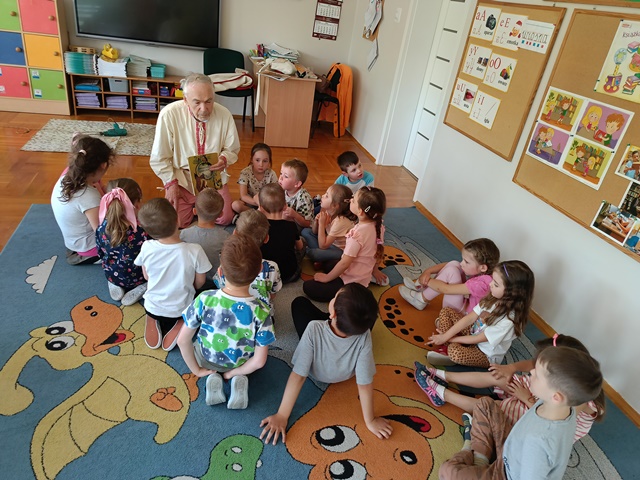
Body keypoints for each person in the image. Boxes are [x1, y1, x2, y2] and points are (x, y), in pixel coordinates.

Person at [439, 346, 603, 480]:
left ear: (556, 397)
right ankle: (480, 461)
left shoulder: (539, 443)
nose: (531, 372)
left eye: (538, 375)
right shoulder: (561, 407)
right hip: (511, 447)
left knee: (448, 471)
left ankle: (471, 449)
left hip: (506, 474)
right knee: (484, 404)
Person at [259, 283, 392, 445]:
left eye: (335, 297)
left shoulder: (313, 328)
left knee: (299, 303)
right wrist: (370, 421)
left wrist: (282, 415)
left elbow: (298, 376)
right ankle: (346, 319)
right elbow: (365, 384)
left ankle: (339, 318)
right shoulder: (364, 334)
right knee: (362, 316)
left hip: (316, 369)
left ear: (333, 312)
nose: (333, 297)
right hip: (345, 368)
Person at [415, 334, 605, 443]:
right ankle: (442, 375)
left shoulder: (575, 403)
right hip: (538, 399)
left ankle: (440, 393)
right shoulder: (568, 378)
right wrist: (511, 369)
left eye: (539, 371)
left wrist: (526, 398)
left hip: (539, 419)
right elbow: (531, 365)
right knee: (498, 377)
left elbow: (551, 425)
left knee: (489, 406)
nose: (532, 370)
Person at [178, 234, 275, 410]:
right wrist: (233, 372)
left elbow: (182, 340)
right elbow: (260, 361)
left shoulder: (204, 298)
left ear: (220, 272)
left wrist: (196, 370)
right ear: (259, 271)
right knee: (252, 360)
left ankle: (212, 376)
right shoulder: (262, 310)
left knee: (196, 346)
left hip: (207, 359)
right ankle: (238, 377)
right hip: (241, 361)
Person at [149, 73, 240, 228]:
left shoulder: (224, 114)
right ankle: (197, 210)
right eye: (197, 102)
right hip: (182, 180)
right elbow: (159, 157)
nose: (204, 109)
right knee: (178, 223)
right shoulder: (169, 114)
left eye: (209, 101)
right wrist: (171, 184)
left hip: (212, 177)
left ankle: (199, 210)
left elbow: (232, 148)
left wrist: (224, 159)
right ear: (185, 100)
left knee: (224, 218)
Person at [425, 260, 535, 368]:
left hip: (484, 353)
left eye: (496, 284)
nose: (490, 284)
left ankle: (450, 349)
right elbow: (470, 318)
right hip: (473, 332)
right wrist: (446, 336)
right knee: (446, 312)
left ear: (511, 293)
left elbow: (478, 339)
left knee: (455, 352)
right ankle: (451, 346)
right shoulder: (493, 297)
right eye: (492, 280)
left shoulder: (509, 320)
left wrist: (448, 338)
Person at [134, 198, 212, 351]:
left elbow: (147, 277)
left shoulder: (146, 246)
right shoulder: (194, 250)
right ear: (178, 220)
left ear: (148, 231)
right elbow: (200, 282)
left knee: (153, 304)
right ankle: (181, 322)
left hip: (152, 306)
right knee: (203, 296)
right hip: (180, 308)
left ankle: (152, 318)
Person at [303, 187, 388, 302]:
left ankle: (352, 293)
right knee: (329, 265)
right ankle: (367, 277)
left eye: (353, 200)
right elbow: (379, 250)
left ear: (360, 211)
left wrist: (327, 278)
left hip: (350, 281)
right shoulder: (378, 226)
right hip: (358, 273)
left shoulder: (356, 235)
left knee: (308, 287)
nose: (350, 200)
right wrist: (375, 269)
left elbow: (344, 263)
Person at [51, 134, 113, 265]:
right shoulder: (89, 196)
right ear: (103, 165)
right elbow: (102, 233)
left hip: (72, 240)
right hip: (87, 248)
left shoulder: (68, 175)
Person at [400, 238, 500, 313]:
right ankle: (423, 290)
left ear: (483, 268)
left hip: (461, 315)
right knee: (454, 264)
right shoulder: (485, 274)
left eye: (466, 262)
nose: (462, 263)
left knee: (451, 271)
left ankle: (421, 299)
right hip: (464, 304)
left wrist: (427, 280)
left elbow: (446, 289)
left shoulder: (482, 284)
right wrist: (428, 271)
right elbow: (449, 264)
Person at [214, 209, 282, 308]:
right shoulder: (272, 267)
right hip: (261, 311)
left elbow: (219, 285)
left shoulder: (226, 262)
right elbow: (273, 294)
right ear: (266, 238)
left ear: (234, 233)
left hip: (227, 307)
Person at [96, 178, 148, 305]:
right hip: (139, 278)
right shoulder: (142, 232)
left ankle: (114, 283)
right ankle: (144, 286)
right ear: (137, 205)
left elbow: (100, 253)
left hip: (112, 274)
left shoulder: (102, 228)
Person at [179, 187, 230, 289]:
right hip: (215, 283)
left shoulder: (183, 235)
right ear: (221, 214)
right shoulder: (226, 237)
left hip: (190, 282)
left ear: (194, 211)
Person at [258, 183, 304, 283]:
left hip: (265, 275)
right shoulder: (291, 225)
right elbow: (299, 247)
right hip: (288, 275)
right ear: (285, 206)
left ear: (261, 208)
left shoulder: (258, 228)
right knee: (302, 242)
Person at [301, 184, 356, 266]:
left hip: (340, 250)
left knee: (314, 254)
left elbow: (323, 246)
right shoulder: (328, 211)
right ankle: (322, 260)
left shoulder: (341, 222)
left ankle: (317, 256)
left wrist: (322, 224)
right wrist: (316, 221)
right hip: (329, 243)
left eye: (327, 196)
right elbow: (315, 232)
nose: (322, 196)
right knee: (305, 231)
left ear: (335, 206)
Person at [231, 143, 277, 216]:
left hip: (266, 205)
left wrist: (265, 205)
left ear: (269, 161)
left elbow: (275, 194)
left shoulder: (272, 174)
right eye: (257, 160)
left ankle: (257, 215)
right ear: (251, 159)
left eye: (265, 161)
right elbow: (243, 195)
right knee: (235, 205)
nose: (261, 164)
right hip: (250, 203)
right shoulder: (245, 172)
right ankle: (260, 214)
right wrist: (257, 203)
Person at [278, 158, 314, 229]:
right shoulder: (282, 189)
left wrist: (295, 215)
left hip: (300, 226)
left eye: (286, 176)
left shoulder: (304, 199)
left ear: (297, 184)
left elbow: (308, 223)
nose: (280, 178)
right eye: (281, 173)